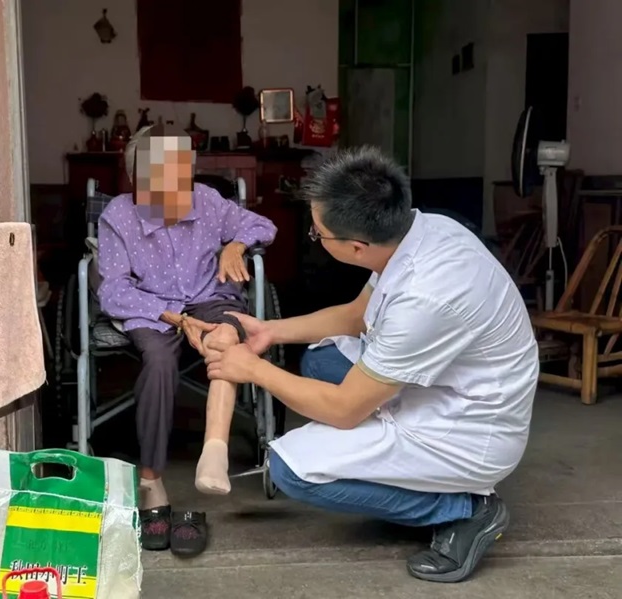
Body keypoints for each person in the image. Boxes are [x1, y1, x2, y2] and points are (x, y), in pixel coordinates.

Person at [204, 146, 539, 582]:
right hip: (446, 381)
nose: (315, 236)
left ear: (357, 247)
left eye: (319, 233)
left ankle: (465, 507)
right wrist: (270, 331)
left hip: (470, 427)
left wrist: (251, 370)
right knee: (321, 360)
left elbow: (344, 410)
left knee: (293, 469)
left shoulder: (424, 296)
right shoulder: (424, 229)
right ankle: (390, 462)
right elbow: (357, 315)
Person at [97, 124, 277, 556]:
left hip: (209, 298)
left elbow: (263, 225)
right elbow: (113, 290)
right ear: (137, 180)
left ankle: (213, 451)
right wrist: (177, 319)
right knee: (159, 363)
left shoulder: (207, 201)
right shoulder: (118, 216)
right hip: (153, 307)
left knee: (226, 336)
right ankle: (151, 481)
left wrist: (235, 244)